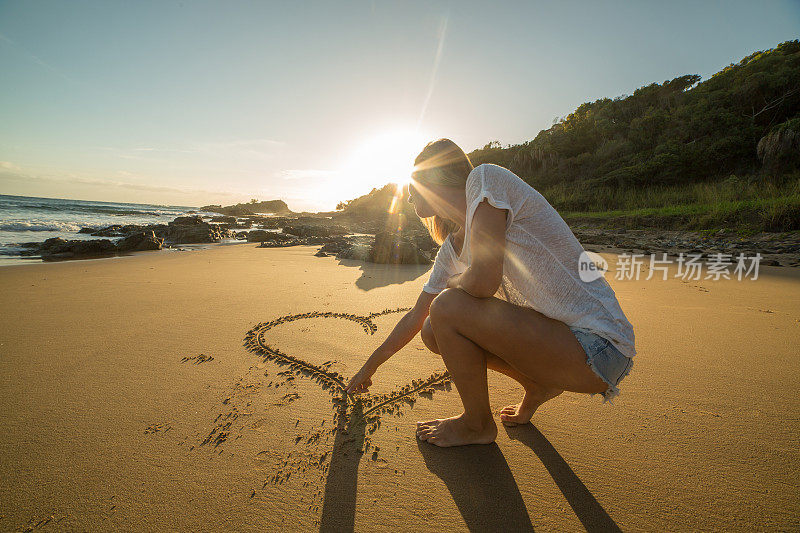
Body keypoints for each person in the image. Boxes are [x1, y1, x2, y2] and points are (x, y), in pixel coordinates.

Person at [344, 138, 636, 447]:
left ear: (433, 177)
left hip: (600, 346)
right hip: (563, 347)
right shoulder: (452, 248)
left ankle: (477, 425)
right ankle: (535, 385)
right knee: (431, 328)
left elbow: (483, 281)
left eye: (413, 181)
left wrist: (456, 284)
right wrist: (370, 365)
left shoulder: (484, 179)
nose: (408, 192)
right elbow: (417, 315)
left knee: (445, 307)